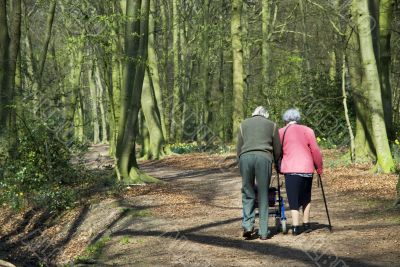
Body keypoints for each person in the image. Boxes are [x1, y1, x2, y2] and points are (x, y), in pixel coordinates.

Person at [237, 106, 282, 240]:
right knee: (263, 193)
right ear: (265, 115)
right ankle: (263, 232)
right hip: (264, 158)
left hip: (246, 158)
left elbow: (239, 147)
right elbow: (277, 148)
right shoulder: (272, 125)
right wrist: (276, 161)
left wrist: (240, 162)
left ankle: (248, 225)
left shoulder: (243, 124)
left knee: (247, 191)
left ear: (254, 114)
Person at [279, 108, 323, 235]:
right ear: (298, 119)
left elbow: (277, 151)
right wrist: (319, 167)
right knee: (306, 196)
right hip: (306, 168)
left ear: (285, 120)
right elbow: (315, 150)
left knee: (293, 198)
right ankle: (307, 223)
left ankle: (295, 227)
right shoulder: (308, 130)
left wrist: (278, 165)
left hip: (291, 168)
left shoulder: (281, 132)